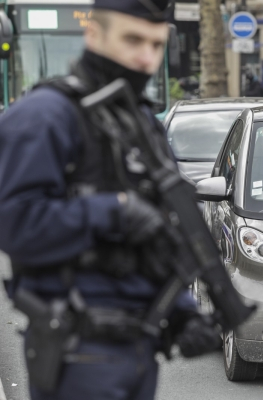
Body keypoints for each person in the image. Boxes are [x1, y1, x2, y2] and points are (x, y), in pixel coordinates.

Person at [0, 0, 221, 399]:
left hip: (140, 349)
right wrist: (111, 211)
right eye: (133, 39)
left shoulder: (143, 125)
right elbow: (13, 223)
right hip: (77, 352)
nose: (145, 58)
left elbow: (160, 238)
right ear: (94, 35)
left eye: (156, 45)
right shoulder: (44, 116)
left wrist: (183, 312)